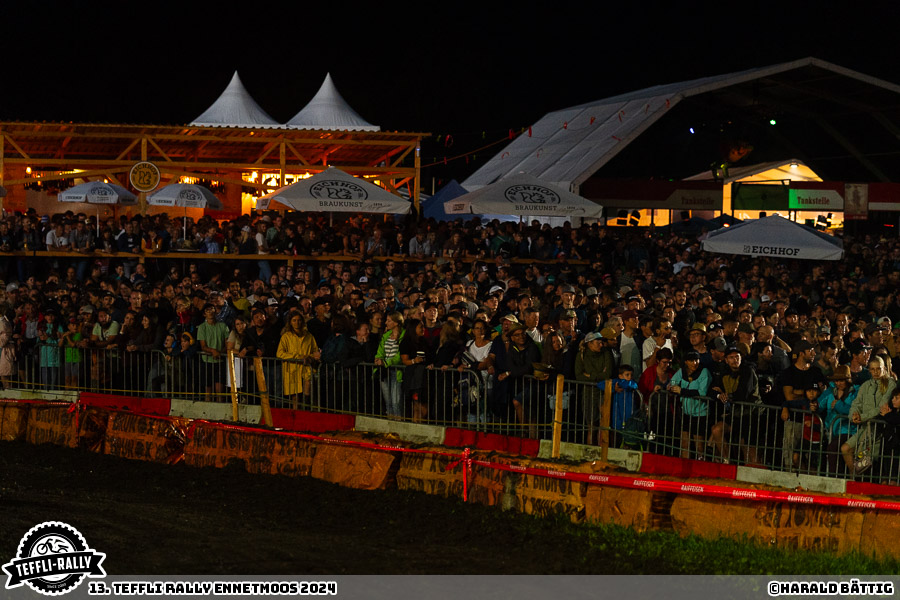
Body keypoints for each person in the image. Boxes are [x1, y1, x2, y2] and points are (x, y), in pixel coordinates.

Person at [841, 356, 897, 474]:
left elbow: (881, 407)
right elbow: (856, 403)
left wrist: (862, 417)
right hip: (864, 427)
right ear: (869, 370)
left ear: (884, 369)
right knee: (845, 449)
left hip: (879, 429)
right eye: (872, 369)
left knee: (865, 461)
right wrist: (853, 416)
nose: (876, 372)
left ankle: (858, 479)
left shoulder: (891, 384)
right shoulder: (865, 385)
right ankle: (854, 476)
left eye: (878, 369)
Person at [709, 346, 761, 465]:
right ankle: (726, 461)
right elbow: (711, 390)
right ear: (726, 360)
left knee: (747, 447)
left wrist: (726, 396)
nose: (734, 360)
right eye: (731, 357)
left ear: (741, 358)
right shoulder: (724, 373)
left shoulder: (748, 371)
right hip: (735, 414)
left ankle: (752, 473)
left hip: (752, 414)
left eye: (737, 357)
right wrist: (719, 395)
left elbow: (743, 393)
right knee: (717, 429)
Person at [576, 329, 618, 445]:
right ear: (590, 344)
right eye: (597, 342)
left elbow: (607, 374)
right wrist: (598, 376)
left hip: (603, 392)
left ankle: (602, 450)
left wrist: (590, 375)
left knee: (603, 423)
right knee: (591, 425)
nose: (601, 344)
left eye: (601, 342)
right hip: (588, 393)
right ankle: (590, 449)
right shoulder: (582, 355)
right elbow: (579, 376)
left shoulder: (606, 353)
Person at [668, 350, 711, 460]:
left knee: (699, 446)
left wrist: (682, 391)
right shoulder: (682, 371)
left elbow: (702, 392)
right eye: (691, 360)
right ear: (686, 362)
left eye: (696, 360)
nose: (695, 363)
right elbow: (673, 381)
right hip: (685, 412)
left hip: (700, 414)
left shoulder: (704, 372)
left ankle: (700, 468)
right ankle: (684, 469)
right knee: (684, 443)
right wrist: (670, 386)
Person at [817, 365, 859, 476]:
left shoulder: (855, 393)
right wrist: (814, 406)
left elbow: (854, 411)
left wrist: (839, 405)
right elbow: (819, 404)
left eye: (841, 380)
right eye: (836, 380)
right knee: (833, 452)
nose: (838, 383)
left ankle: (834, 479)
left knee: (832, 449)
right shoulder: (830, 392)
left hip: (849, 430)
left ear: (848, 380)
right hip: (831, 430)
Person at [276, 311, 320, 409]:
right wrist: (298, 357)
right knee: (295, 397)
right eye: (294, 320)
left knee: (307, 395)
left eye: (299, 320)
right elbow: (280, 353)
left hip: (306, 369)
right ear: (290, 322)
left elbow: (315, 352)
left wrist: (310, 357)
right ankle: (296, 416)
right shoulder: (286, 337)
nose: (297, 323)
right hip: (292, 370)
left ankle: (306, 414)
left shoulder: (309, 336)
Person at [375, 311, 405, 419]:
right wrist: (378, 358)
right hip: (384, 371)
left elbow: (400, 355)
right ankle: (390, 424)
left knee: (396, 401)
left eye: (389, 320)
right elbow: (380, 350)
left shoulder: (403, 335)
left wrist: (386, 362)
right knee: (388, 401)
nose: (386, 323)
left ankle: (398, 425)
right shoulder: (386, 335)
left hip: (396, 371)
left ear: (396, 322)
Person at [197, 304, 229, 401]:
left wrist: (219, 352)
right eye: (207, 310)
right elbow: (203, 346)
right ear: (204, 314)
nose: (210, 312)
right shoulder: (202, 327)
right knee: (208, 390)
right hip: (207, 361)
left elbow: (227, 343)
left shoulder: (223, 326)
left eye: (212, 309)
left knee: (220, 390)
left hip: (220, 361)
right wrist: (213, 351)